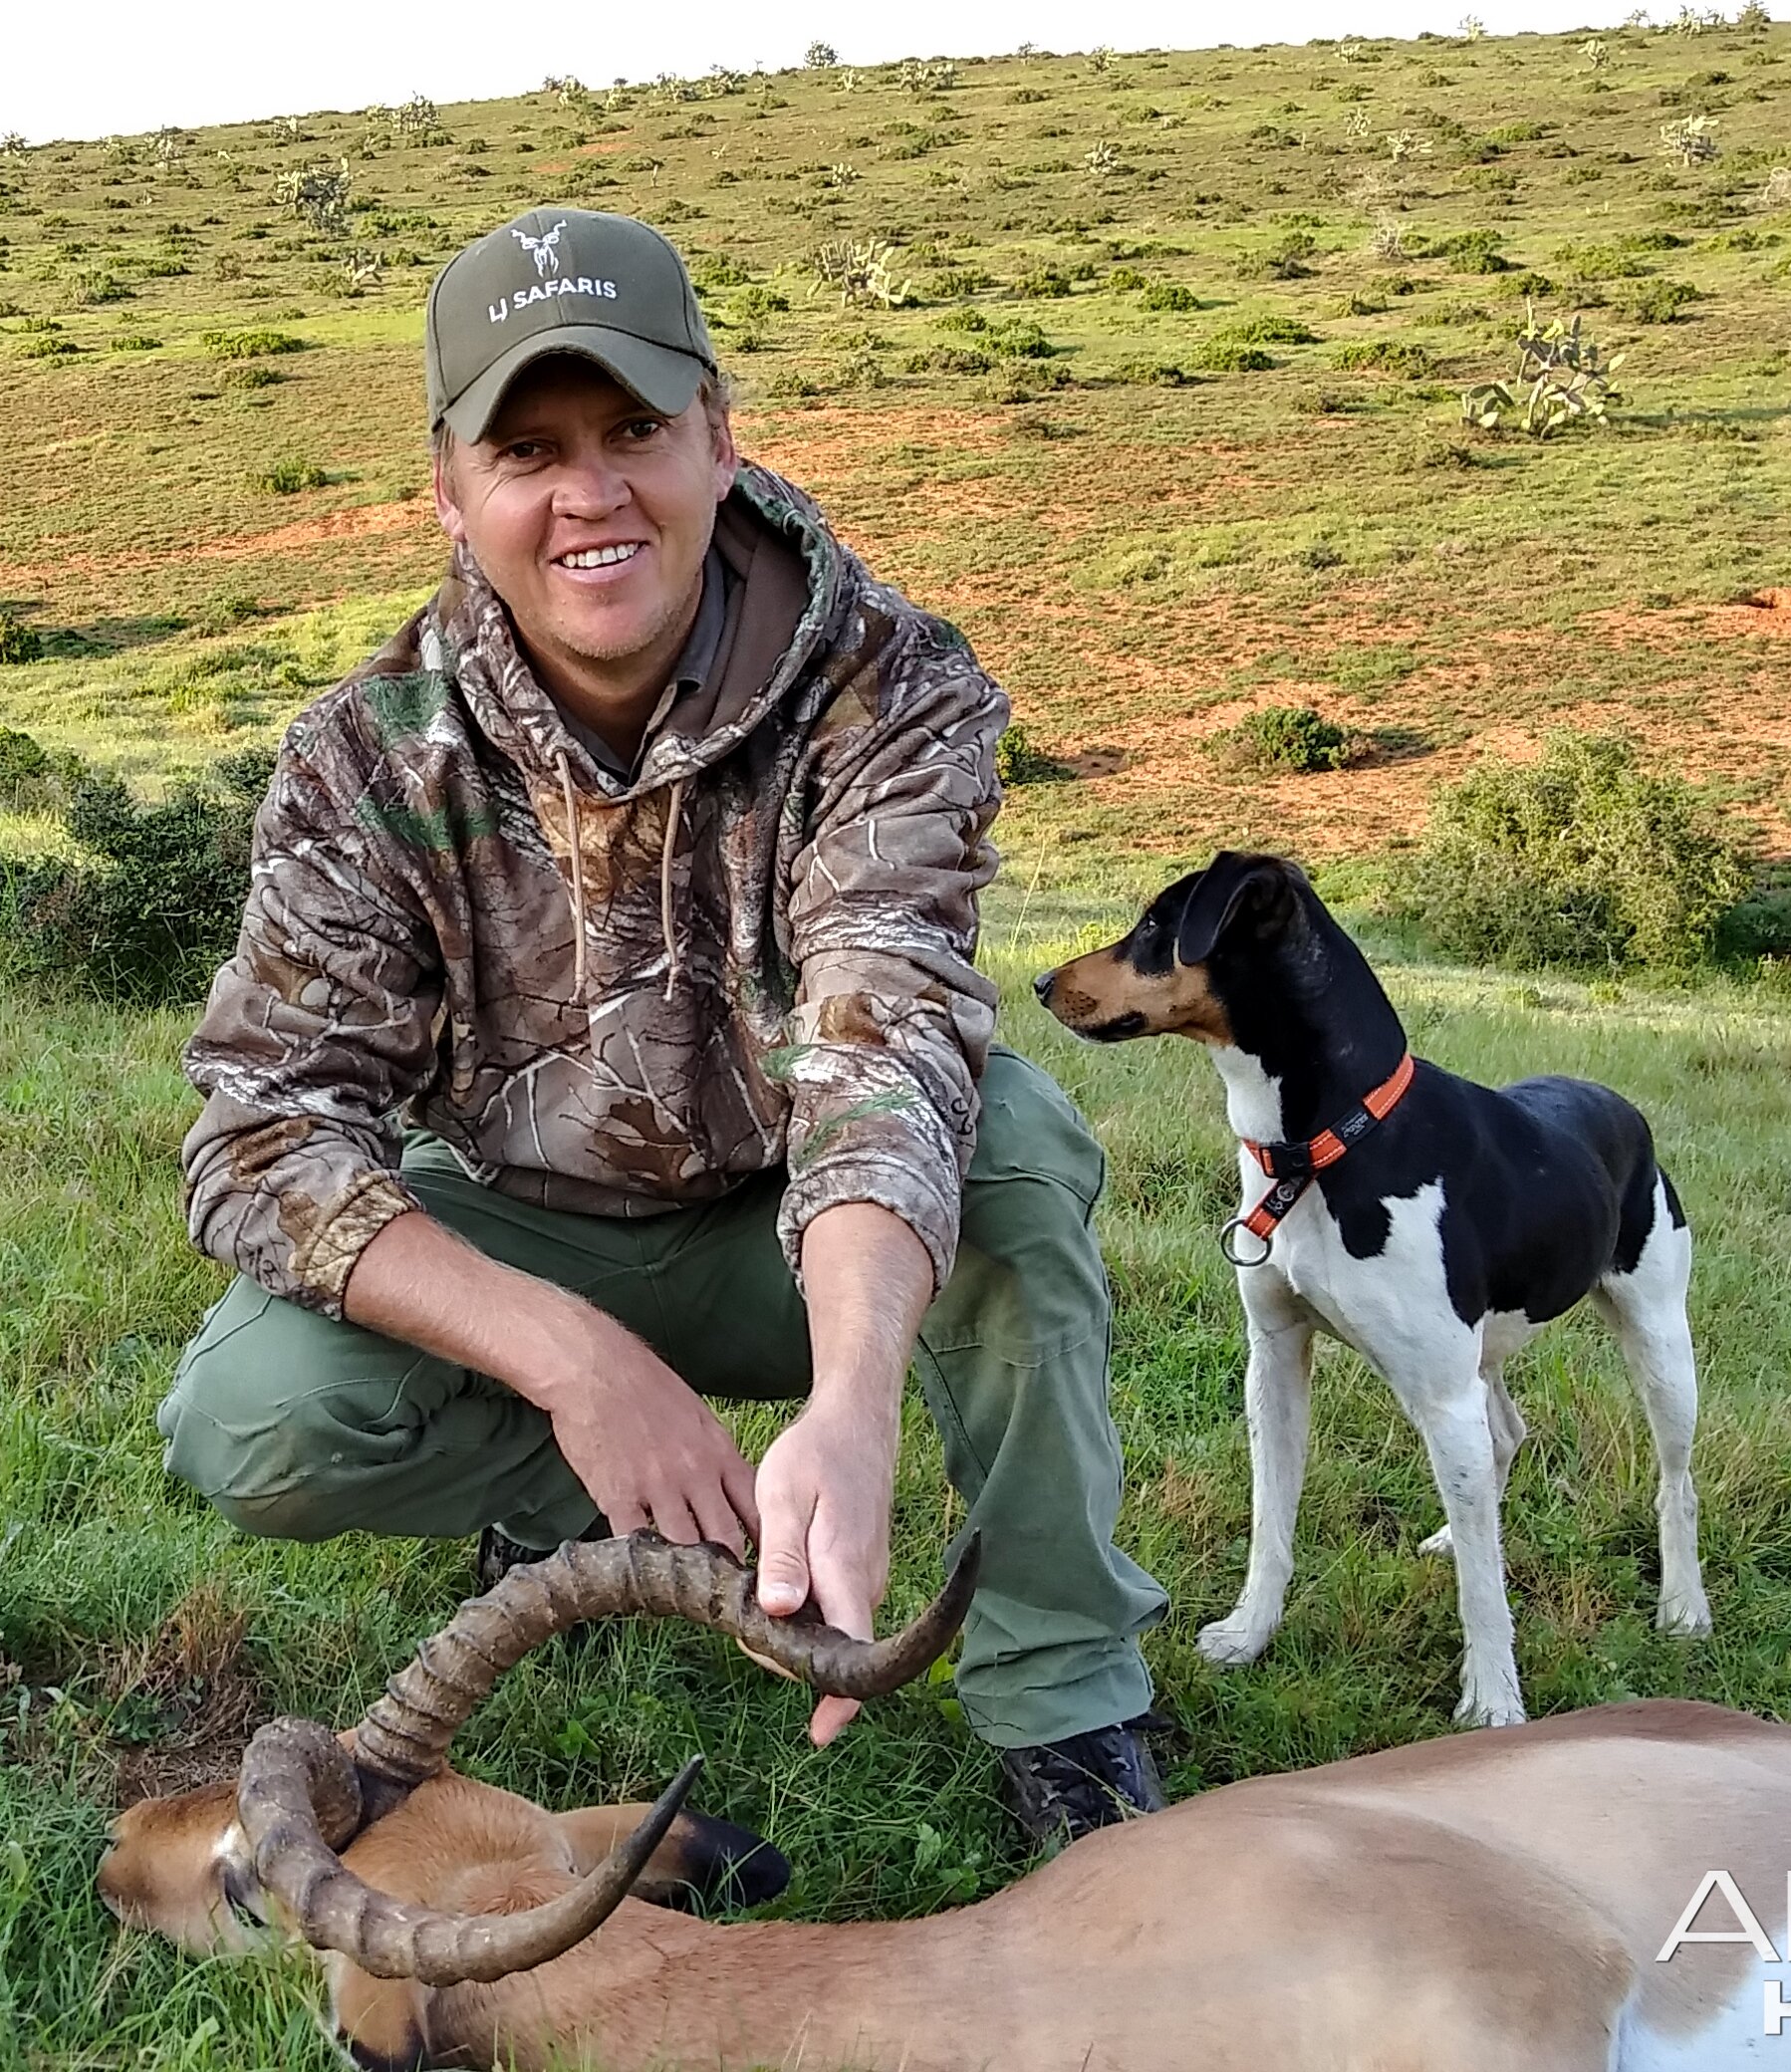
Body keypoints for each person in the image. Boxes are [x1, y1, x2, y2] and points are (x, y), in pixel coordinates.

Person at [158, 206, 1173, 1847]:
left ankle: (1064, 1693)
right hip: (523, 1220)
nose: (589, 494)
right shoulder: (366, 750)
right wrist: (575, 1363)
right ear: (451, 492)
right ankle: (620, 1510)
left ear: (718, 433)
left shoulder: (893, 688)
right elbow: (262, 1134)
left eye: (634, 429)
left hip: (796, 1220)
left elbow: (887, 1034)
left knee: (1014, 1158)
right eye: (530, 449)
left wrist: (849, 1409)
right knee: (249, 1419)